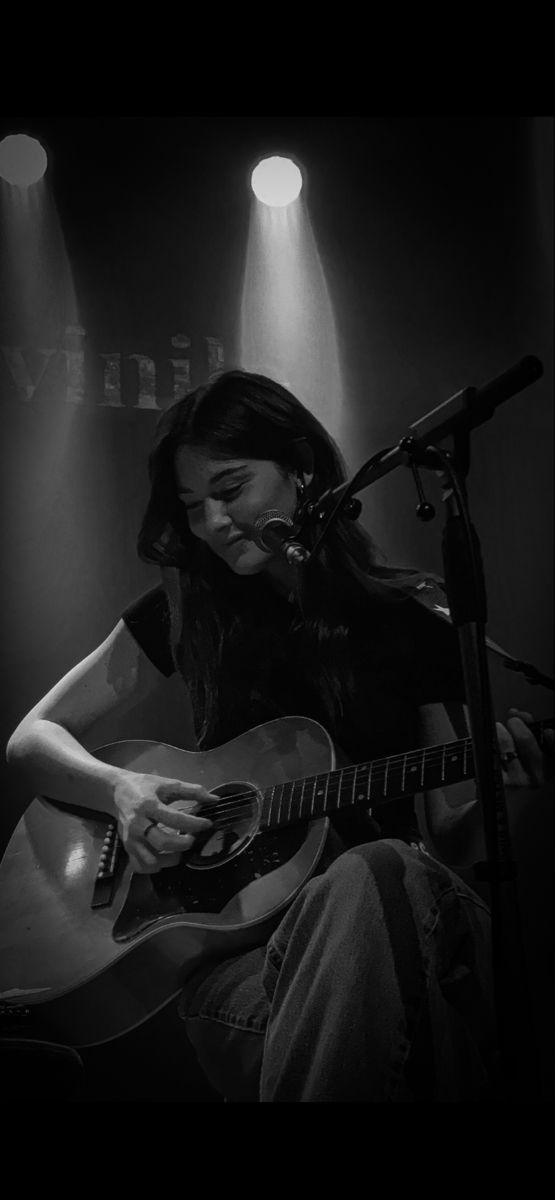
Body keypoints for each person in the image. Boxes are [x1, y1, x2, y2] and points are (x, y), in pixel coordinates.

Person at [6, 370, 552, 1102]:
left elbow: (448, 837)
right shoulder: (189, 604)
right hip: (243, 973)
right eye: (194, 507)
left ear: (300, 468)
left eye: (230, 490)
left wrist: (508, 795)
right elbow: (31, 739)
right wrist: (122, 791)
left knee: (375, 873)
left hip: (387, 926)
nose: (212, 524)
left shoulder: (408, 617)